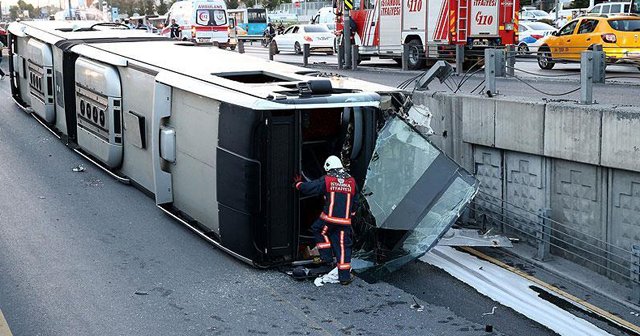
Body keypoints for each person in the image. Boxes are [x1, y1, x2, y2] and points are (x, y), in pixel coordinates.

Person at [294, 156, 357, 285]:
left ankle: (327, 258)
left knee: (318, 230)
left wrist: (298, 184)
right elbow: (355, 203)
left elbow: (311, 187)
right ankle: (344, 278)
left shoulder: (328, 180)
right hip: (344, 222)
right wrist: (350, 214)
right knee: (343, 247)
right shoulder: (351, 181)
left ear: (329, 167)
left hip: (329, 220)